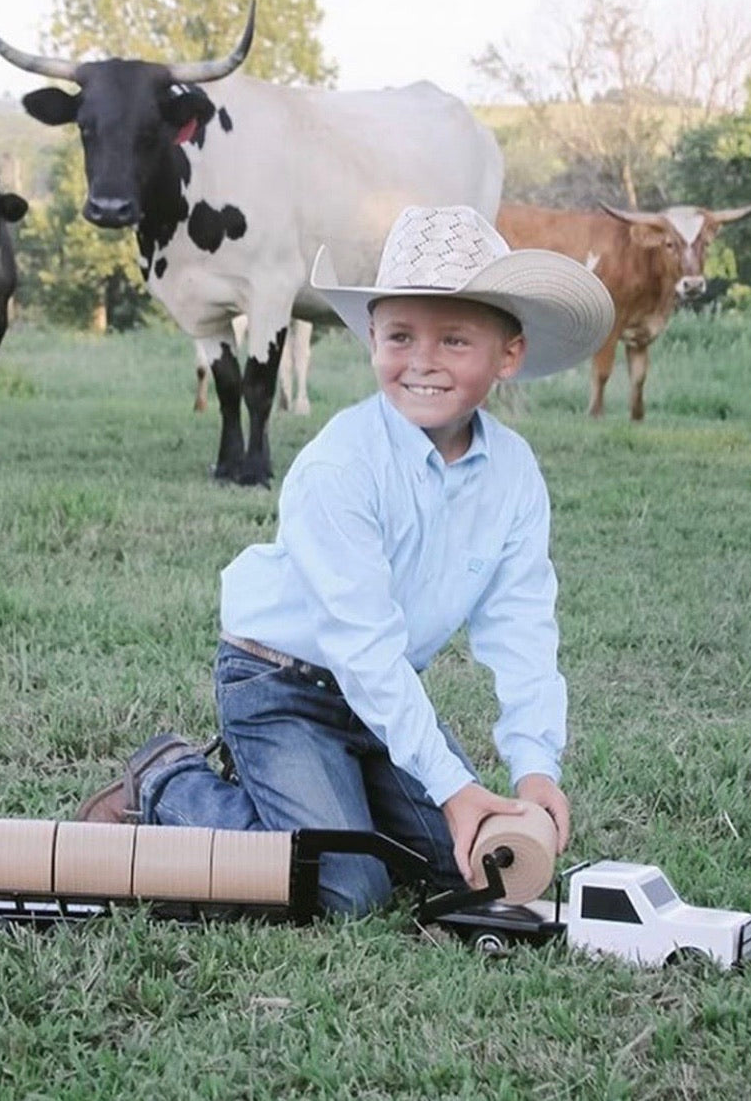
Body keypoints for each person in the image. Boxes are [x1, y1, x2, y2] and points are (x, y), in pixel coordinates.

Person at [78, 205, 614, 915]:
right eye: (399, 335)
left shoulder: (512, 472)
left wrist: (535, 767)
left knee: (469, 865)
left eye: (454, 339)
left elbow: (521, 626)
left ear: (506, 354)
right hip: (281, 683)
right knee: (343, 886)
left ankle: (323, 791)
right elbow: (358, 644)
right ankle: (168, 781)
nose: (421, 360)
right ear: (371, 337)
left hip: (382, 698)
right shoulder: (340, 463)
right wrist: (451, 785)